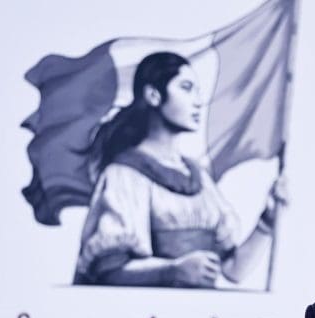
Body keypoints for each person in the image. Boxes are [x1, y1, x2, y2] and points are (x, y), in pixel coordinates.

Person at [74, 51, 282, 288]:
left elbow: (233, 271)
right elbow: (109, 272)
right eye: (186, 87)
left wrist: (267, 221)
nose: (197, 101)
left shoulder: (199, 177)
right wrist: (172, 271)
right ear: (153, 95)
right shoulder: (124, 174)